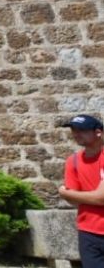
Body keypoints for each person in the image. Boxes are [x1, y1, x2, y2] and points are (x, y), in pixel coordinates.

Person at [58, 114, 104, 268]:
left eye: (82, 130)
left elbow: (101, 198)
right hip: (88, 232)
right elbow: (72, 199)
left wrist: (65, 193)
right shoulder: (73, 161)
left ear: (98, 132)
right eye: (74, 130)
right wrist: (71, 195)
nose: (76, 134)